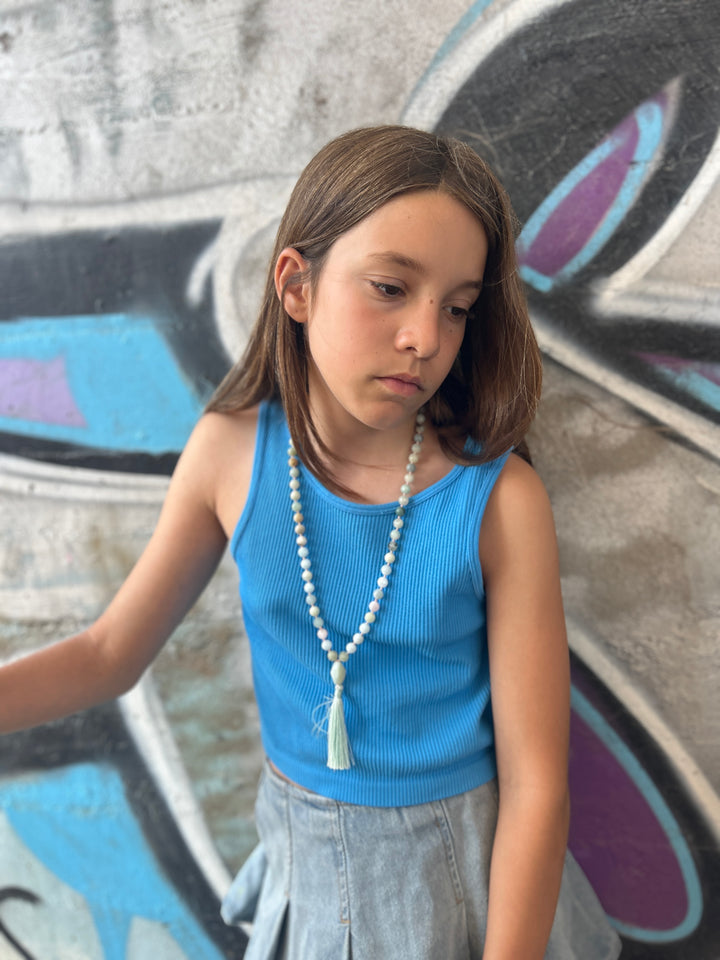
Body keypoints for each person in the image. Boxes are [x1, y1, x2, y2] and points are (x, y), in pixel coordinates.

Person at [0, 125, 621, 960]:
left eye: (457, 308)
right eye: (390, 288)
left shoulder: (499, 501)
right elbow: (108, 654)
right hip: (307, 875)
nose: (425, 338)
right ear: (297, 285)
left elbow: (539, 787)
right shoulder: (230, 455)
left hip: (469, 887)